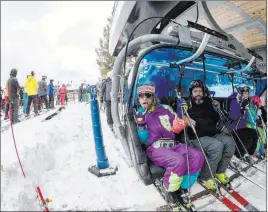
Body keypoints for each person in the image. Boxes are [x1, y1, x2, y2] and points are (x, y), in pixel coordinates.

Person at [134, 82, 204, 203]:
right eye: (141, 95)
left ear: (153, 97)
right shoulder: (139, 114)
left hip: (173, 144)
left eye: (148, 95)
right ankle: (170, 189)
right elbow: (143, 140)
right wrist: (141, 127)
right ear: (138, 98)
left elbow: (176, 127)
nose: (144, 98)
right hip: (156, 148)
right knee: (178, 161)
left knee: (198, 156)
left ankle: (183, 186)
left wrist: (181, 116)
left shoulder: (165, 109)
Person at [185, 80, 235, 190]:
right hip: (197, 137)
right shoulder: (187, 105)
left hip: (212, 133)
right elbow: (199, 124)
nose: (198, 93)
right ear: (191, 93)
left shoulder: (208, 102)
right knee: (216, 146)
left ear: (203, 92)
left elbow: (216, 119)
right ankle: (206, 176)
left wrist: (218, 110)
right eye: (195, 91)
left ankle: (219, 171)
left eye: (200, 91)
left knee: (230, 143)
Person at [228, 85, 260, 160]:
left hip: (243, 126)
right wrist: (242, 108)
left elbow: (250, 116)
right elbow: (234, 116)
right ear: (240, 93)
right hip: (234, 127)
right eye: (244, 93)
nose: (246, 95)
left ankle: (250, 153)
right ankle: (239, 155)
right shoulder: (234, 101)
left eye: (247, 93)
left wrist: (256, 114)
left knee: (254, 133)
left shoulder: (246, 102)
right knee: (246, 138)